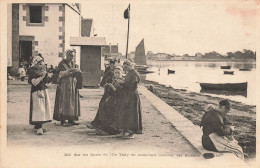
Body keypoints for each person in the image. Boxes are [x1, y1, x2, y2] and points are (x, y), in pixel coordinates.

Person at [112, 59, 143, 139]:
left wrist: (122, 83)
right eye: (124, 67)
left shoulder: (134, 74)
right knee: (124, 113)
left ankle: (131, 133)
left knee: (131, 114)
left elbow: (133, 87)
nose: (125, 69)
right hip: (126, 96)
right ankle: (123, 131)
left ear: (130, 66)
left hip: (132, 96)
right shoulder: (129, 73)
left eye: (126, 67)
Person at [92, 66, 124, 135]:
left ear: (122, 73)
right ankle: (102, 126)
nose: (117, 74)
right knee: (103, 105)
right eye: (115, 73)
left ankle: (108, 129)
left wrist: (111, 87)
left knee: (106, 107)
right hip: (113, 99)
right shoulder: (114, 80)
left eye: (118, 73)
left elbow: (120, 93)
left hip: (119, 101)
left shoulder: (122, 81)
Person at [53, 49, 81, 126]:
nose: (72, 58)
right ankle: (63, 120)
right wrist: (71, 71)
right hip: (64, 85)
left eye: (73, 56)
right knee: (64, 102)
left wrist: (77, 71)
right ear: (67, 55)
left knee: (72, 102)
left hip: (72, 84)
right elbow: (59, 74)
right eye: (71, 56)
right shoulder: (62, 64)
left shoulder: (73, 63)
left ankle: (71, 120)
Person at [27, 56, 53, 135]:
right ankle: (39, 127)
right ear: (36, 63)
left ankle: (37, 126)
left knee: (43, 109)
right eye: (39, 63)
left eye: (42, 63)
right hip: (36, 92)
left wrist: (48, 78)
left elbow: (46, 81)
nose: (41, 65)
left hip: (43, 91)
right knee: (39, 109)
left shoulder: (42, 71)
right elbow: (34, 82)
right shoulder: (32, 71)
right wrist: (42, 76)